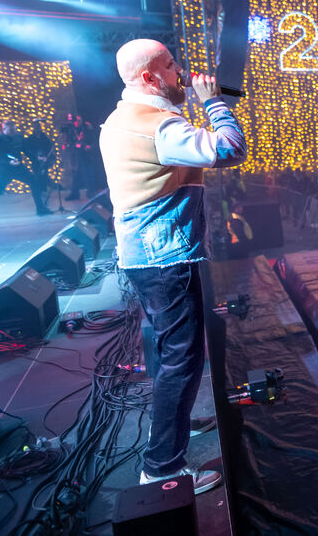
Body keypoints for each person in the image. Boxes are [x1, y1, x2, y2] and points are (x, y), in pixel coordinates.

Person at [100, 39, 246, 493]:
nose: (180, 71)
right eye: (170, 65)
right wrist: (214, 104)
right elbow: (231, 149)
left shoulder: (120, 118)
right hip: (166, 258)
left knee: (173, 355)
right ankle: (162, 466)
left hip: (148, 256)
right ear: (150, 77)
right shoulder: (158, 126)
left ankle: (172, 432)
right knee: (181, 361)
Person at [0, 118, 52, 220]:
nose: (13, 132)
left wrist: (37, 158)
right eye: (11, 131)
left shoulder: (18, 137)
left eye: (14, 130)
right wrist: (8, 162)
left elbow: (26, 150)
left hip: (18, 168)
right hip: (3, 170)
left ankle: (40, 209)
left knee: (34, 181)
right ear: (4, 129)